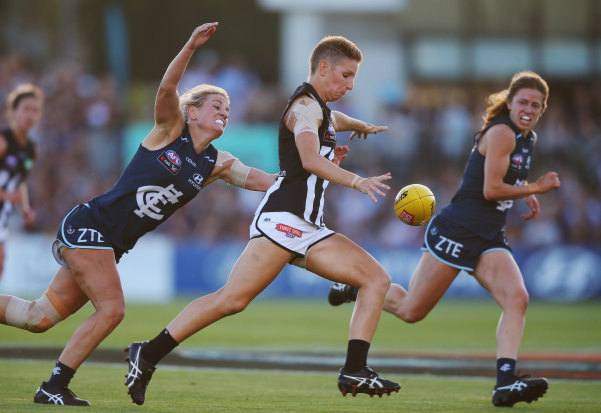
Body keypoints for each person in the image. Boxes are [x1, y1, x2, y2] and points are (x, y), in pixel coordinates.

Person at [0, 22, 278, 406]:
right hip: (89, 227)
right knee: (112, 310)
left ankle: (53, 386)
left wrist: (316, 166)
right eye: (217, 106)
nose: (225, 113)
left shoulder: (219, 163)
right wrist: (190, 45)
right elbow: (166, 89)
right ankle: (53, 387)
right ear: (193, 112)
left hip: (107, 242)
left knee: (37, 318)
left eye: (228, 110)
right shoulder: (169, 129)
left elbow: (269, 182)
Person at [124, 33, 401, 405]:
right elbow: (308, 159)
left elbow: (336, 120)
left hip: (303, 225)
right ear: (323, 68)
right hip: (285, 221)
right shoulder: (306, 107)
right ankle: (148, 353)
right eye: (346, 75)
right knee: (231, 300)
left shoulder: (321, 110)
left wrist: (361, 126)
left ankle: (355, 369)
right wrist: (357, 181)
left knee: (375, 279)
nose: (350, 85)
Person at [327, 71, 560, 407]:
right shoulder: (502, 133)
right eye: (522, 101)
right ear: (509, 103)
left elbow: (506, 178)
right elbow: (491, 189)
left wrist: (527, 194)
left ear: (542, 110)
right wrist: (535, 187)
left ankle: (505, 383)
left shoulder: (528, 138)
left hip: (488, 235)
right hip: (457, 231)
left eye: (536, 105)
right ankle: (354, 287)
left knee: (517, 298)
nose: (528, 108)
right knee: (410, 311)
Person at [0, 84, 43, 281]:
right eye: (26, 108)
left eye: (35, 110)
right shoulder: (3, 142)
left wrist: (26, 208)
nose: (30, 115)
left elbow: (20, 181)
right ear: (13, 111)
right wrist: (7, 196)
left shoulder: (32, 149)